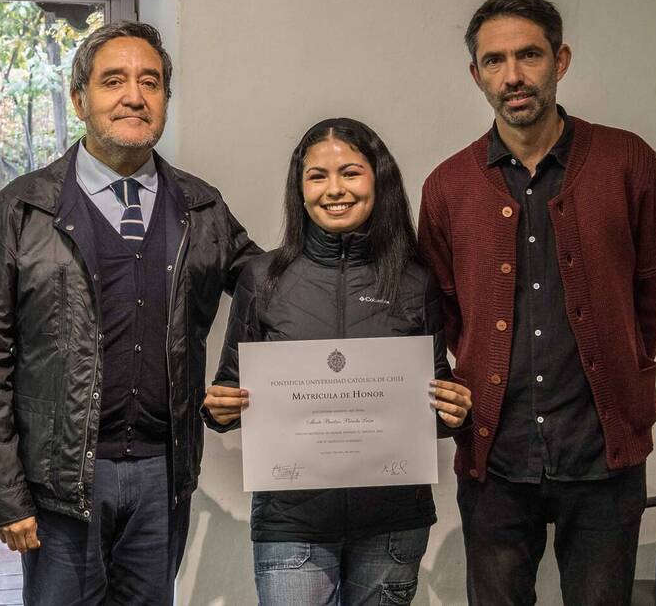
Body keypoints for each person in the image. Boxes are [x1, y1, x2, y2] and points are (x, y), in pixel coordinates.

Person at [0, 21, 260, 604]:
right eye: (113, 81)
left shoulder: (201, 207)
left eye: (150, 82)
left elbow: (268, 288)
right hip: (61, 486)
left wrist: (235, 379)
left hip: (163, 480)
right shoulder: (24, 209)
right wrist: (6, 494)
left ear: (165, 99)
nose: (134, 96)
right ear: (79, 99)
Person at [418, 0, 656, 605]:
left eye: (528, 55)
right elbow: (442, 308)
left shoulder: (627, 161)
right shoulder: (448, 186)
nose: (513, 75)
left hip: (602, 452)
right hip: (496, 457)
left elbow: (655, 288)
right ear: (476, 74)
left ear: (560, 60)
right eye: (494, 60)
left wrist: (623, 363)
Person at [202, 118, 472, 606]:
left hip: (392, 523)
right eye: (317, 176)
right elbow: (230, 389)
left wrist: (454, 412)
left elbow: (430, 402)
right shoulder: (261, 279)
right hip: (291, 524)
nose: (334, 190)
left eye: (350, 172)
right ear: (299, 189)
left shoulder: (415, 282)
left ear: (378, 180)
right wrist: (219, 409)